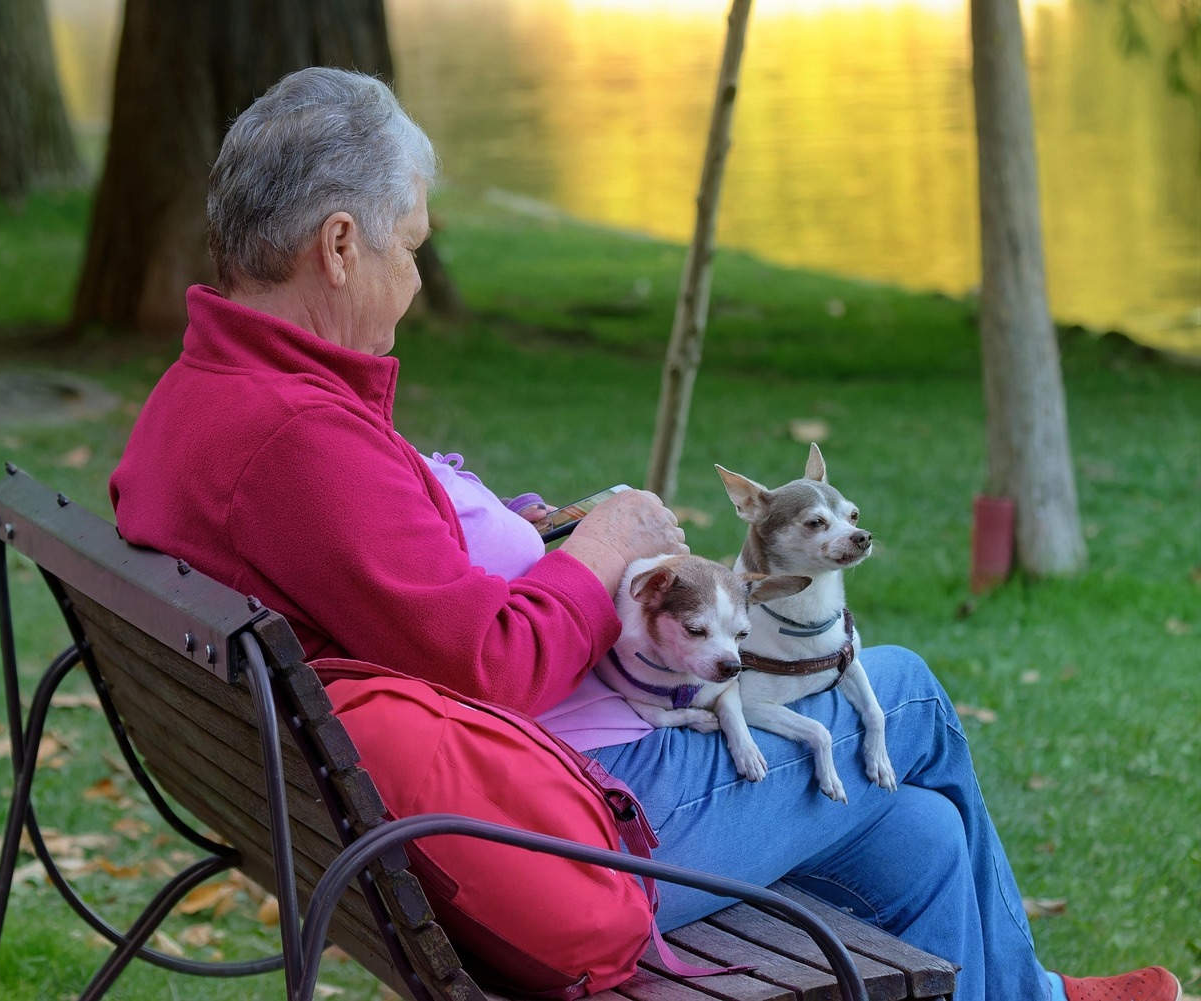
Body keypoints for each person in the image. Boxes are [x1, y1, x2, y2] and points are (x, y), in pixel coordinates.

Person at [108, 67, 1180, 1001]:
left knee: (922, 838)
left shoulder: (203, 396)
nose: (418, 280)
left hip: (385, 825)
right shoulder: (296, 436)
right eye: (411, 246)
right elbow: (489, 663)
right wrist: (602, 545)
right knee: (904, 696)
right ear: (340, 245)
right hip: (541, 839)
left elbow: (387, 583)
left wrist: (520, 536)